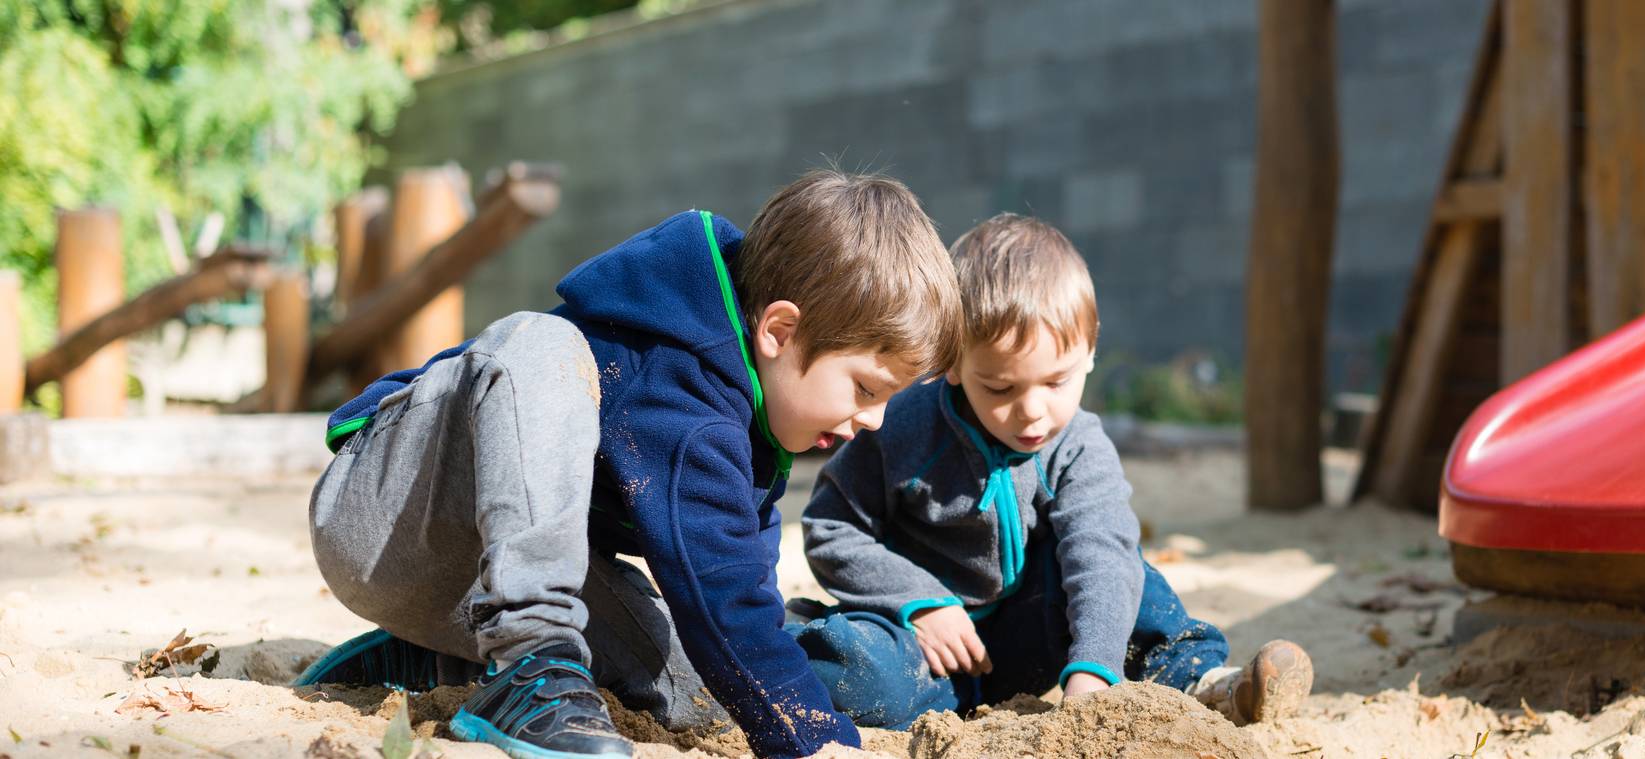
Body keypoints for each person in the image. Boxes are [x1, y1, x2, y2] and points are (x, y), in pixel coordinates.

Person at [300, 170, 965, 758]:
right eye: (867, 389)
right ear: (779, 332)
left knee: (699, 688)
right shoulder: (675, 374)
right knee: (543, 344)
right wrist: (814, 741)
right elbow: (724, 599)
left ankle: (445, 660)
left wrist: (803, 706)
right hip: (389, 509)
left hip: (475, 581)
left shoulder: (755, 421)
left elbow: (734, 602)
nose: (874, 419)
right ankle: (535, 659)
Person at [793, 213, 1315, 729]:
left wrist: (1094, 672)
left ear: (1089, 352)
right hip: (925, 650)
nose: (1032, 411)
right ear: (949, 361)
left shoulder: (1079, 445)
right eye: (1000, 388)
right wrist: (920, 603)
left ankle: (1202, 683)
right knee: (859, 672)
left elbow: (1099, 554)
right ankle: (795, 638)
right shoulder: (900, 427)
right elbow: (830, 527)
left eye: (1056, 382)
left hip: (1032, 633)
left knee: (1120, 566)